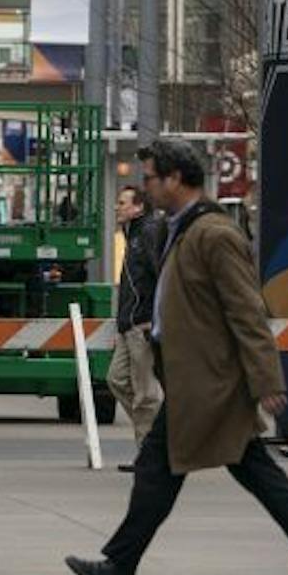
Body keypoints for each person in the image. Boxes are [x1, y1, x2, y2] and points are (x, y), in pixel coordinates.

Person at [65, 139, 288, 575]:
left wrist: (267, 380)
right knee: (246, 469)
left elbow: (247, 311)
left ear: (176, 178)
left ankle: (120, 564)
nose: (147, 188)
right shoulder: (183, 228)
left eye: (152, 178)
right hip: (196, 380)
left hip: (209, 383)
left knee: (159, 470)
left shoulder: (213, 234)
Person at [107, 184, 165, 467]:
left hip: (141, 325)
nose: (117, 207)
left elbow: (162, 277)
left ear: (139, 207)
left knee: (145, 394)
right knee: (115, 380)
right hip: (128, 325)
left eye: (122, 202)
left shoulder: (149, 233)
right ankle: (158, 434)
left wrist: (153, 319)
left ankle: (150, 454)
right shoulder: (132, 236)